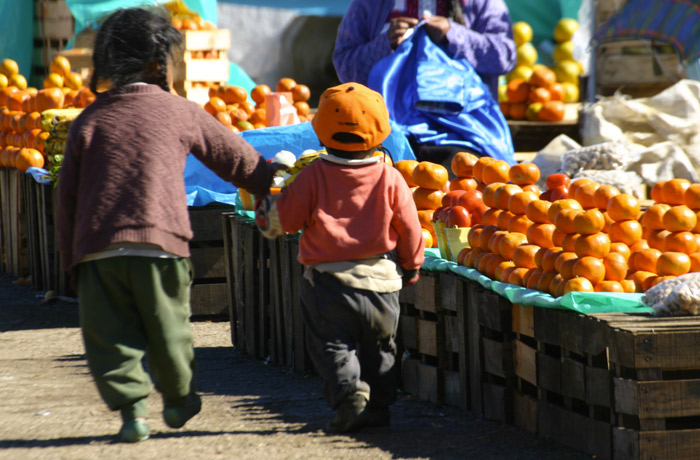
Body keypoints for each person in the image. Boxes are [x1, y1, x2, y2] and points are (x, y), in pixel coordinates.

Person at [55, 8, 278, 443]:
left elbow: (66, 201)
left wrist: (71, 261)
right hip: (162, 245)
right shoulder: (180, 111)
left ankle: (132, 412)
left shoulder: (87, 122)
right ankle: (178, 398)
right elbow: (234, 156)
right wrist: (268, 182)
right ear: (161, 64)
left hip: (98, 250)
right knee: (169, 327)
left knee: (110, 338)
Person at [254, 82, 425, 433]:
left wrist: (269, 193)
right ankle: (378, 407)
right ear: (380, 134)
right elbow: (410, 227)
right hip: (381, 284)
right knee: (381, 349)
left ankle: (350, 396)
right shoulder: (390, 177)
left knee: (332, 345)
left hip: (327, 283)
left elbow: (279, 223)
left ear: (320, 131)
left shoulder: (313, 176)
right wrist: (411, 266)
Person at [333, 0, 516, 168]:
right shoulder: (371, 4)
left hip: (464, 135)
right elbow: (345, 66)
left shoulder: (481, 3)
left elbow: (504, 56)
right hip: (387, 134)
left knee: (461, 188)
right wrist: (384, 42)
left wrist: (452, 33)